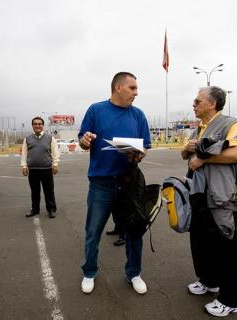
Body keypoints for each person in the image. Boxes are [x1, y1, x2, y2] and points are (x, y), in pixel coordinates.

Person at [78, 72, 151, 294]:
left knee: (134, 231)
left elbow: (145, 147)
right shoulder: (96, 110)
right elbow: (83, 141)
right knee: (93, 231)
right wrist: (84, 140)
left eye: (136, 88)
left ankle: (134, 273)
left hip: (129, 183)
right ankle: (89, 272)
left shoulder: (138, 115)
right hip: (101, 183)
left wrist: (138, 154)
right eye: (132, 88)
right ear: (118, 87)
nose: (136, 93)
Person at [181, 86, 237, 317]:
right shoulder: (199, 128)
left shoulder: (231, 124)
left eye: (198, 100)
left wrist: (201, 158)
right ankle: (209, 281)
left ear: (212, 103)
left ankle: (232, 299)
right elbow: (184, 154)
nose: (194, 103)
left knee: (225, 246)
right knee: (201, 241)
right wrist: (188, 148)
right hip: (199, 193)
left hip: (221, 195)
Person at [21, 116, 59, 218]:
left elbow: (55, 152)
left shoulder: (50, 138)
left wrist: (55, 164)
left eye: (39, 124)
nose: (37, 126)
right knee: (35, 192)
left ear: (43, 125)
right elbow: (24, 153)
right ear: (32, 126)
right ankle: (35, 210)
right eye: (35, 124)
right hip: (32, 170)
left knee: (49, 191)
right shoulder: (27, 139)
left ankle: (51, 210)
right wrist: (24, 166)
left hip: (46, 169)